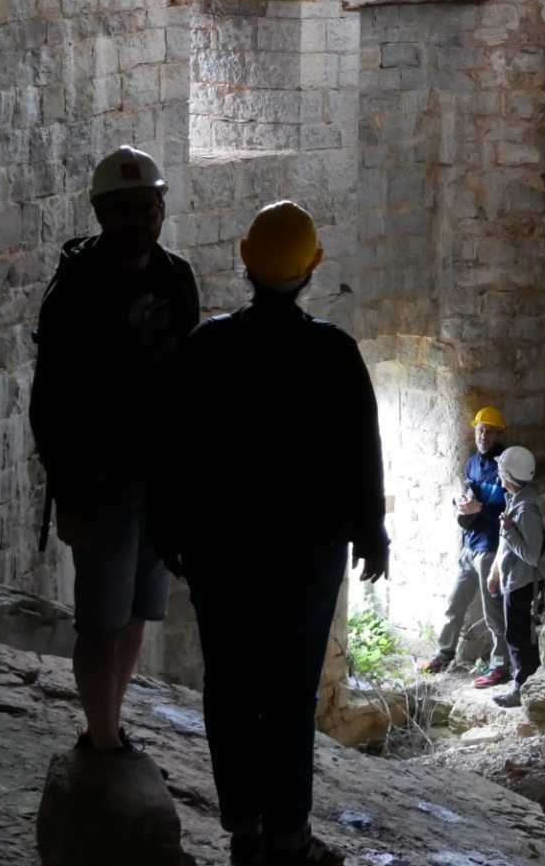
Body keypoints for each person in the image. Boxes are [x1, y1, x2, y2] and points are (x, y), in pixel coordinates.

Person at [155, 200, 388, 866]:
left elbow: (176, 448)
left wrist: (168, 526)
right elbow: (359, 452)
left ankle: (244, 828)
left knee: (230, 683)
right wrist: (372, 534)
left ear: (245, 259)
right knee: (289, 692)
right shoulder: (334, 352)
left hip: (221, 549)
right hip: (305, 553)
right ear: (313, 266)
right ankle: (286, 835)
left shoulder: (207, 346)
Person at [28, 144, 200, 755]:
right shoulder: (74, 293)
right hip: (102, 482)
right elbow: (50, 406)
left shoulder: (176, 275)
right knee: (101, 619)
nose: (139, 221)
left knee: (137, 611)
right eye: (125, 209)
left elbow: (190, 379)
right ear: (101, 213)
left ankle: (111, 723)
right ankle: (100, 739)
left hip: (160, 480)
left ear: (162, 208)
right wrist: (70, 498)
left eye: (149, 207)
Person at [419, 407, 511, 686]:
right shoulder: (472, 463)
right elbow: (470, 493)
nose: (484, 435)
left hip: (491, 548)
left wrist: (479, 507)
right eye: (480, 430)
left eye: (490, 431)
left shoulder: (506, 465)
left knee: (493, 610)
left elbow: (511, 508)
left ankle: (501, 665)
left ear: (498, 434)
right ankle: (444, 653)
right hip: (469, 545)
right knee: (454, 602)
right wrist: (462, 502)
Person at [484, 444, 545, 709]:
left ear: (508, 476)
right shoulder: (516, 499)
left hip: (524, 584)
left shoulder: (526, 509)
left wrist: (510, 531)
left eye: (501, 470)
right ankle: (524, 684)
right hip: (514, 580)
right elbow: (507, 546)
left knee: (518, 637)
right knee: (518, 635)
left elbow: (532, 554)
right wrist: (495, 571)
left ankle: (522, 687)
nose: (498, 474)